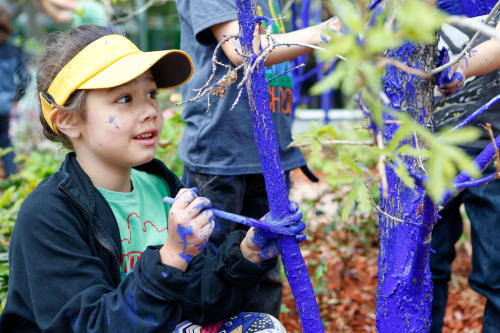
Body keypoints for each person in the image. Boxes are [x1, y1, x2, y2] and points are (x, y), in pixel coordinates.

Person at [0, 24, 307, 332]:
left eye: (150, 94)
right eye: (124, 99)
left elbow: (200, 302)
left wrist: (248, 254)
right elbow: (89, 325)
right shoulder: (48, 215)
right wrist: (171, 257)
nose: (149, 110)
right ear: (68, 120)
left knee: (262, 326)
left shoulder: (160, 188)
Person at [176, 0, 340, 317]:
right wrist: (326, 32)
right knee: (211, 264)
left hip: (270, 157)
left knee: (264, 266)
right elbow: (242, 49)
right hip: (220, 156)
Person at [432, 17, 500, 332]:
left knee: (497, 272)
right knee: (422, 266)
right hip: (423, 144)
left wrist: (461, 68)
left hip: (491, 143)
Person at [0, 6, 29, 177]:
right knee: (6, 143)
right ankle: (13, 180)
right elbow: (26, 79)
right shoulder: (13, 50)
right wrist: (16, 98)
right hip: (4, 105)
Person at [38, 0, 108, 27]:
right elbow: (58, 16)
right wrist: (43, 2)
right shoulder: (81, 13)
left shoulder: (92, 6)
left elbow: (65, 4)